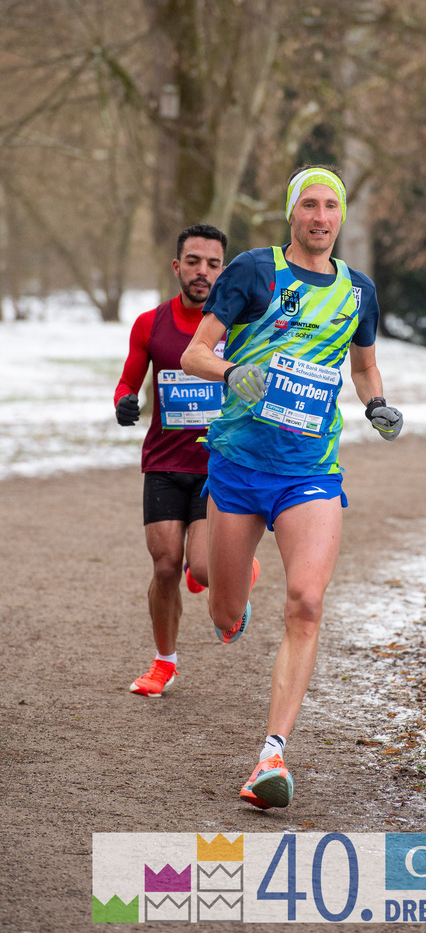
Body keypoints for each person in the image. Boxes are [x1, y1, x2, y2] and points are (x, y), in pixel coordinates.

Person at [180, 165, 403, 810]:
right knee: (224, 621)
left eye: (330, 207)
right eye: (309, 205)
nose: (320, 217)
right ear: (292, 213)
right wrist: (232, 374)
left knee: (306, 602)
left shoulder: (359, 292)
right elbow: (196, 353)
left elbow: (363, 366)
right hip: (240, 466)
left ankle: (272, 755)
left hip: (310, 470)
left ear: (339, 217)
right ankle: (234, 590)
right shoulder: (254, 271)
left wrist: (377, 402)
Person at [115, 223, 231, 698]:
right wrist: (124, 402)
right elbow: (127, 382)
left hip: (215, 465)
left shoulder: (237, 326)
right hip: (163, 462)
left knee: (202, 570)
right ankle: (164, 663)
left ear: (224, 270)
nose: (203, 272)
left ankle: (235, 566)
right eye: (194, 262)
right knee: (166, 567)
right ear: (176, 266)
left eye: (213, 264)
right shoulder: (150, 323)